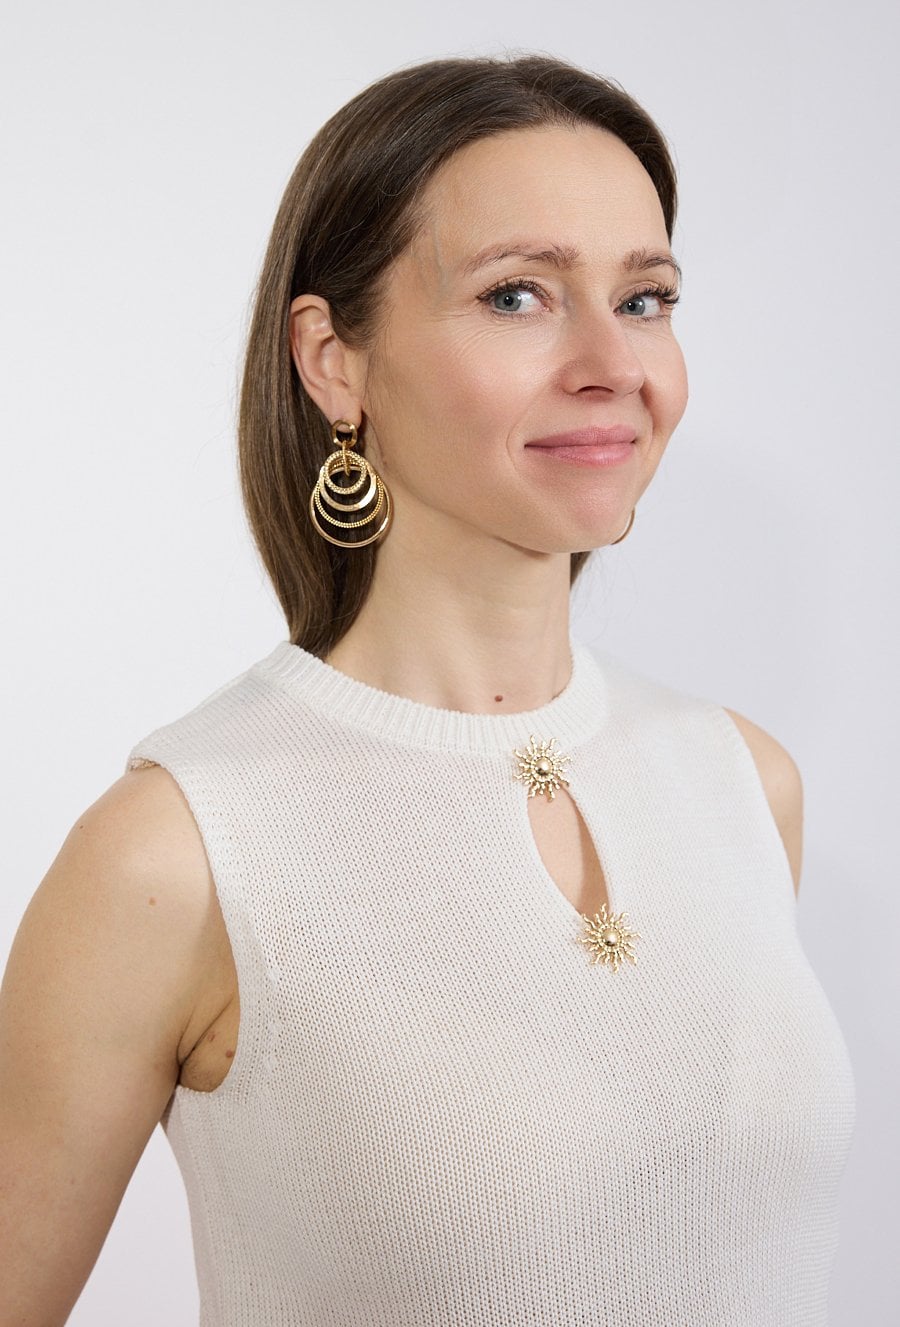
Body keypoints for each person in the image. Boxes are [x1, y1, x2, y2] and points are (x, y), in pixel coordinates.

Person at [0, 53, 856, 1326]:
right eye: (517, 294)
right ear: (333, 359)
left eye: (646, 298)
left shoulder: (742, 781)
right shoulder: (179, 851)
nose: (611, 361)